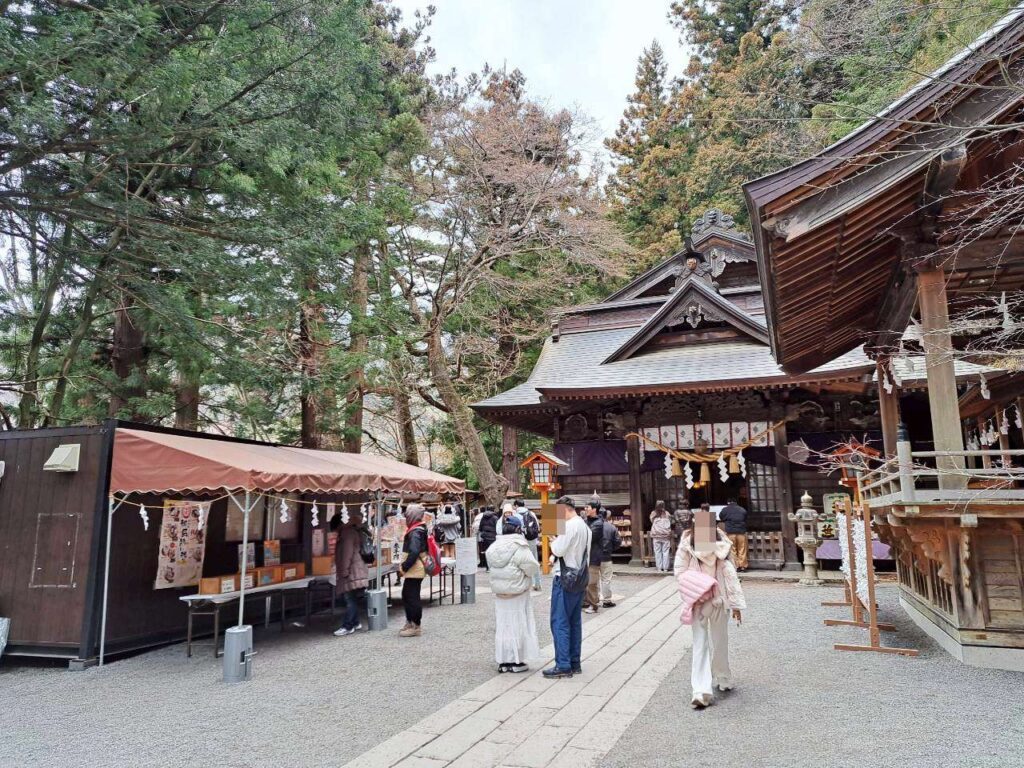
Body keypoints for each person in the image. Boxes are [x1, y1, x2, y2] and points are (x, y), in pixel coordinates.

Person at [674, 503, 746, 709]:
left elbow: (679, 573)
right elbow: (731, 576)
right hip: (719, 600)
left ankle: (701, 690)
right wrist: (737, 605)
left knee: (700, 644)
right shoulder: (722, 544)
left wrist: (694, 584)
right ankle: (723, 678)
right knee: (720, 640)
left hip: (698, 601)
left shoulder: (687, 544)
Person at [485, 516, 541, 673]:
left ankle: (503, 661)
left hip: (500, 594)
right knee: (518, 625)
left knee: (503, 626)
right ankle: (516, 661)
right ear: (518, 529)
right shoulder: (520, 547)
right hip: (517, 593)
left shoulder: (493, 547)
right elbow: (532, 568)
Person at [544, 496, 591, 678]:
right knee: (574, 621)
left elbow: (558, 550)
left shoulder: (570, 526)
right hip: (580, 576)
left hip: (565, 577)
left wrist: (552, 539)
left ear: (564, 509)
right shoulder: (585, 527)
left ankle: (563, 664)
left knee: (560, 622)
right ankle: (574, 662)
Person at [333, 510, 369, 636]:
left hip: (352, 571)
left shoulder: (347, 534)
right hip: (357, 569)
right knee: (352, 598)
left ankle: (348, 625)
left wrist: (344, 571)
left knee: (349, 599)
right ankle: (355, 622)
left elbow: (346, 554)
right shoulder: (355, 531)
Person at [398, 504, 429, 637]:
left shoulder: (416, 531)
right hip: (415, 569)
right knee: (407, 594)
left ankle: (416, 625)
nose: (406, 518)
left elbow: (415, 551)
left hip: (414, 568)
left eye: (407, 515)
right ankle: (410, 622)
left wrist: (404, 566)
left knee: (411, 597)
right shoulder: (419, 529)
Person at [514, 499, 543, 591]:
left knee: (520, 562)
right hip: (532, 540)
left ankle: (522, 584)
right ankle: (537, 583)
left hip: (520, 541)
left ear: (516, 506)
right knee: (534, 560)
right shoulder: (531, 514)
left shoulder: (515, 515)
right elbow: (538, 528)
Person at [583, 499, 604, 614]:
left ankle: (593, 604)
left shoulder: (598, 523)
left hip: (594, 556)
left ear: (594, 509)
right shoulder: (586, 521)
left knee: (592, 582)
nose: (585, 509)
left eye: (588, 507)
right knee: (585, 581)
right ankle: (586, 601)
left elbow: (589, 537)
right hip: (585, 555)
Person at [718, 498, 749, 571]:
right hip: (741, 532)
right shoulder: (742, 509)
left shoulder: (725, 509)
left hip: (730, 532)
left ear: (728, 502)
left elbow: (721, 517)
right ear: (736, 502)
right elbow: (745, 518)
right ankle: (743, 566)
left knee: (733, 549)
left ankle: (736, 566)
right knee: (742, 549)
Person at [599, 509, 621, 607]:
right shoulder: (611, 527)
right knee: (606, 579)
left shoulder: (591, 526)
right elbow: (618, 542)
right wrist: (611, 549)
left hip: (593, 557)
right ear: (606, 516)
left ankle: (592, 600)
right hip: (606, 556)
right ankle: (607, 600)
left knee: (593, 580)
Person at [650, 500, 674, 573]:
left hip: (656, 536)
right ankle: (666, 568)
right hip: (665, 536)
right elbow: (671, 522)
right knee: (666, 552)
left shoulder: (653, 513)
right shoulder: (667, 513)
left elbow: (651, 521)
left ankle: (659, 568)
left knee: (657, 552)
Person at [477, 506, 499, 570]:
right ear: (493, 510)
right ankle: (492, 566)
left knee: (486, 551)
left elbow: (480, 527)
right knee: (493, 551)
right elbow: (497, 527)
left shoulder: (483, 517)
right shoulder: (495, 518)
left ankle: (487, 567)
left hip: (485, 536)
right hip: (493, 536)